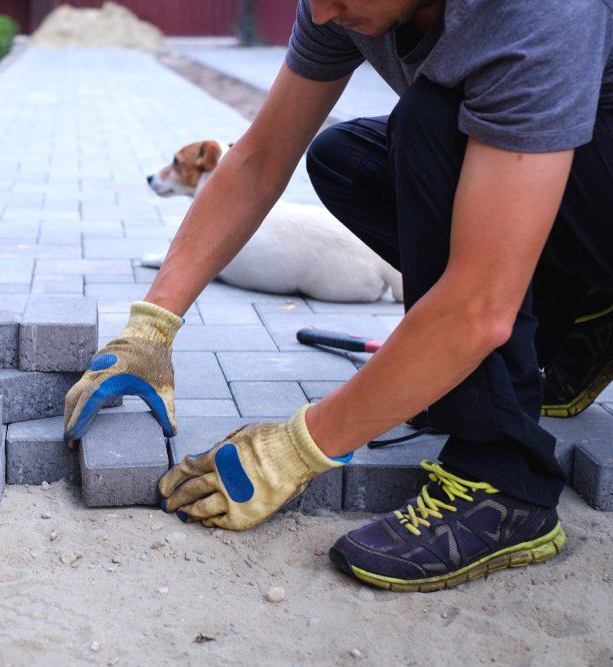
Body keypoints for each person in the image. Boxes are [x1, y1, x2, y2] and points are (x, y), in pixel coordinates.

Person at [64, 0, 613, 592]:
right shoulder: (339, 8)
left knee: (430, 121)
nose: (321, 14)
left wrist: (298, 448)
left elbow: (479, 307)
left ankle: (504, 484)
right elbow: (257, 160)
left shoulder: (537, 11)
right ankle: (580, 317)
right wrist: (151, 327)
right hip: (565, 182)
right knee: (345, 159)